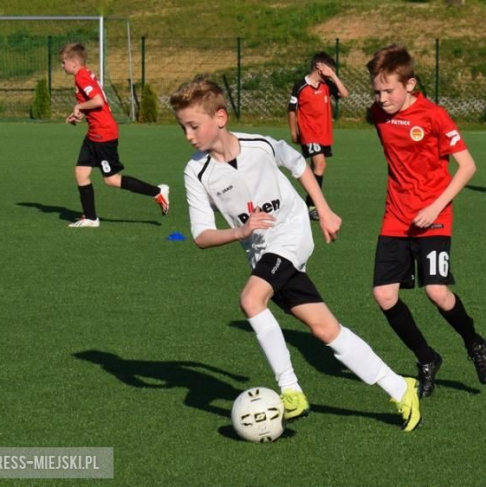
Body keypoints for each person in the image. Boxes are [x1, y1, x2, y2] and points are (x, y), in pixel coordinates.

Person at [170, 76, 421, 432]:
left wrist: (325, 210)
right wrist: (241, 231)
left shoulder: (260, 145)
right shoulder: (196, 171)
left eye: (194, 126)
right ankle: (399, 387)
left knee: (251, 299)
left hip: (291, 232)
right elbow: (200, 235)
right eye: (183, 128)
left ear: (220, 118)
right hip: (260, 253)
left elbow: (300, 166)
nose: (188, 136)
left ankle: (290, 391)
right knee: (324, 328)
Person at [366, 45, 486, 399]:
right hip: (396, 216)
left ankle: (474, 343)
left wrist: (436, 206)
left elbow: (467, 166)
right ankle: (427, 358)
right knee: (383, 295)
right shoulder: (378, 114)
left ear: (411, 84)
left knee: (437, 292)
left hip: (434, 216)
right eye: (376, 92)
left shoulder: (434, 116)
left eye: (388, 90)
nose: (381, 98)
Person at [59, 43, 169, 227]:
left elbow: (98, 101)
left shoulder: (81, 77)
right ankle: (91, 218)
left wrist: (78, 107)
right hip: (94, 132)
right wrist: (79, 113)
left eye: (63, 62)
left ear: (74, 62)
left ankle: (157, 191)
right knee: (81, 172)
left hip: (103, 134)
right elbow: (93, 104)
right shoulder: (85, 73)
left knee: (111, 179)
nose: (62, 66)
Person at [287, 52, 349, 221]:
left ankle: (309, 204)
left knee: (318, 167)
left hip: (324, 133)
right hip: (309, 133)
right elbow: (292, 110)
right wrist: (294, 131)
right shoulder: (300, 86)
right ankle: (313, 205)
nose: (330, 71)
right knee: (320, 164)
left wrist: (333, 76)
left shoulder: (327, 85)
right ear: (319, 68)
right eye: (329, 68)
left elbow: (344, 94)